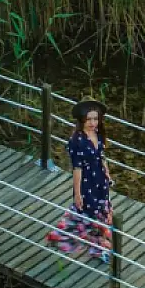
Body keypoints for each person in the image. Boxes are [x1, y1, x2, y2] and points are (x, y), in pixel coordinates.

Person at [47, 99, 113, 262]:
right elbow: (77, 169)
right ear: (82, 120)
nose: (92, 123)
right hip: (87, 183)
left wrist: (107, 173)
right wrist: (77, 193)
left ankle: (98, 248)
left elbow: (101, 156)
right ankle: (60, 237)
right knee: (86, 213)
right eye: (88, 119)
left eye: (95, 119)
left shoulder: (97, 134)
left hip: (100, 181)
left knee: (101, 213)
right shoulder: (77, 141)